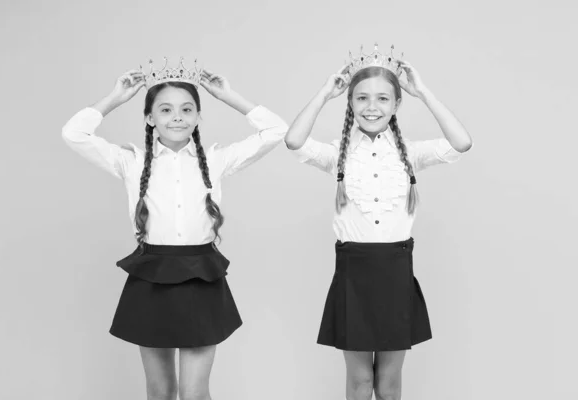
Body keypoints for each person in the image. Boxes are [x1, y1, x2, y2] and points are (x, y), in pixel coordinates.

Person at [62, 57, 288, 400]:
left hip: (202, 275)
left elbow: (276, 131)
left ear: (198, 116)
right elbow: (73, 134)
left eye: (186, 109)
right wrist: (114, 99)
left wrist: (229, 96)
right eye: (165, 110)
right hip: (151, 277)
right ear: (150, 118)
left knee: (195, 392)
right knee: (161, 391)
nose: (177, 117)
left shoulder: (215, 160)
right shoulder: (132, 161)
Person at [284, 45, 473, 400]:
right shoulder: (337, 152)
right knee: (358, 382)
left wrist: (425, 93)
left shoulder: (410, 153)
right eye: (362, 98)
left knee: (389, 382)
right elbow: (294, 141)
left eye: (383, 98)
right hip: (352, 273)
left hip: (395, 272)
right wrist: (325, 94)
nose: (372, 107)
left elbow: (461, 143)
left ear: (397, 104)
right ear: (350, 103)